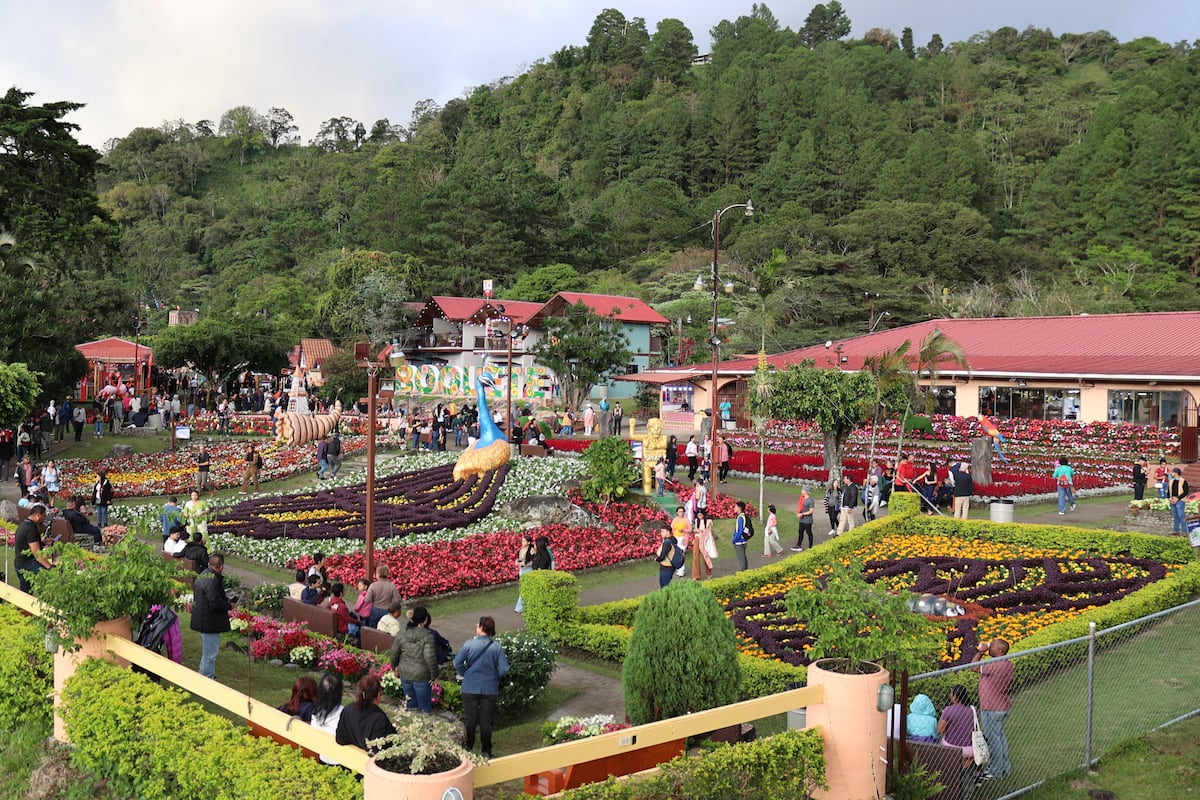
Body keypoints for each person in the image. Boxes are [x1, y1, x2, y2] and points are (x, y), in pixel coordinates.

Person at [454, 616, 510, 759]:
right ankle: (486, 750)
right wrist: (495, 676)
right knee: (486, 720)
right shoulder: (496, 647)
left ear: (481, 628)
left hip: (470, 687)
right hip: (489, 688)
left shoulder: (469, 644)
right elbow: (504, 668)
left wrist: (465, 673)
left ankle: (469, 747)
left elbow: (457, 663)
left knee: (471, 719)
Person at [973, 638, 1014, 780]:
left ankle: (996, 772)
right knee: (1000, 737)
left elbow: (974, 667)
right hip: (1001, 706)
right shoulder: (1007, 663)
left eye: (993, 646)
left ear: (1000, 651)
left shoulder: (995, 664)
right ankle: (1005, 766)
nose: (990, 647)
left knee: (993, 739)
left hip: (991, 708)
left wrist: (981, 651)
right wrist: (988, 649)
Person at [389, 605, 439, 713]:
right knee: (424, 708)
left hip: (405, 672)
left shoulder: (402, 632)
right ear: (425, 620)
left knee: (410, 705)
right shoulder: (427, 635)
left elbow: (394, 652)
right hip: (422, 675)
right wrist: (434, 675)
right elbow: (429, 657)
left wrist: (394, 667)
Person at [190, 554, 232, 680]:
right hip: (209, 620)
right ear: (221, 567)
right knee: (210, 653)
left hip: (203, 617)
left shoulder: (203, 575)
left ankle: (206, 674)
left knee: (208, 651)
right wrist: (229, 605)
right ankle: (207, 676)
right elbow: (215, 603)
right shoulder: (213, 580)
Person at [336, 675, 396, 753]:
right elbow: (382, 751)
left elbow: (340, 739)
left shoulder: (348, 709)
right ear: (378, 695)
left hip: (348, 756)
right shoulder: (379, 720)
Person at [938, 685, 979, 772]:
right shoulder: (973, 709)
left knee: (942, 740)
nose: (950, 695)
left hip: (951, 748)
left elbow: (940, 730)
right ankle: (966, 768)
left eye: (951, 693)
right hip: (970, 749)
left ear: (955, 697)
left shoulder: (948, 710)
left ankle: (955, 770)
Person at [14, 503, 52, 593]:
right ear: (38, 515)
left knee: (26, 593)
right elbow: (37, 553)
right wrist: (49, 567)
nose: (44, 519)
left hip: (20, 563)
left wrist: (42, 542)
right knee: (48, 579)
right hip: (27, 564)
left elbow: (28, 543)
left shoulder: (24, 524)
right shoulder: (31, 529)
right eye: (43, 516)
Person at [310, 673, 346, 766]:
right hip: (342, 762)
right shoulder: (345, 714)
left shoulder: (315, 712)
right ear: (341, 692)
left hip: (322, 758)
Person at [514, 534, 535, 613]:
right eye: (522, 541)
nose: (522, 542)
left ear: (528, 542)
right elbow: (519, 559)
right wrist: (518, 562)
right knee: (524, 588)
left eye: (524, 541)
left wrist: (525, 564)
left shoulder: (531, 550)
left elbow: (533, 561)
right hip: (522, 570)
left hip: (529, 570)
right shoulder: (521, 550)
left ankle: (519, 607)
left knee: (526, 588)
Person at [691, 510, 714, 580]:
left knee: (705, 556)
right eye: (698, 515)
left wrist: (703, 531)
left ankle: (709, 573)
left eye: (700, 515)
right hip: (697, 538)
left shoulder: (708, 521)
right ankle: (696, 575)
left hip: (704, 539)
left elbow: (710, 531)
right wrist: (696, 531)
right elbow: (695, 530)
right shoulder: (696, 521)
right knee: (695, 556)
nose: (699, 517)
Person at [1168, 467, 1190, 535]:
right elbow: (1169, 491)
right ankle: (1176, 530)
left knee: (1181, 516)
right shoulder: (1171, 481)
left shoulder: (1183, 481)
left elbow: (1185, 492)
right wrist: (1169, 498)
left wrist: (1178, 498)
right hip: (1172, 500)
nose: (1172, 473)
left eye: (1173, 472)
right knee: (1175, 516)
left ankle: (1184, 531)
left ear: (1176, 473)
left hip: (1180, 500)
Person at [731, 500, 752, 572]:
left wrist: (734, 540)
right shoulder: (744, 516)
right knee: (744, 558)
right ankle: (745, 572)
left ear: (739, 508)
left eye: (735, 507)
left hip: (739, 542)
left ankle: (743, 573)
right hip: (744, 541)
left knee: (741, 559)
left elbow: (739, 531)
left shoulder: (740, 518)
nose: (734, 508)